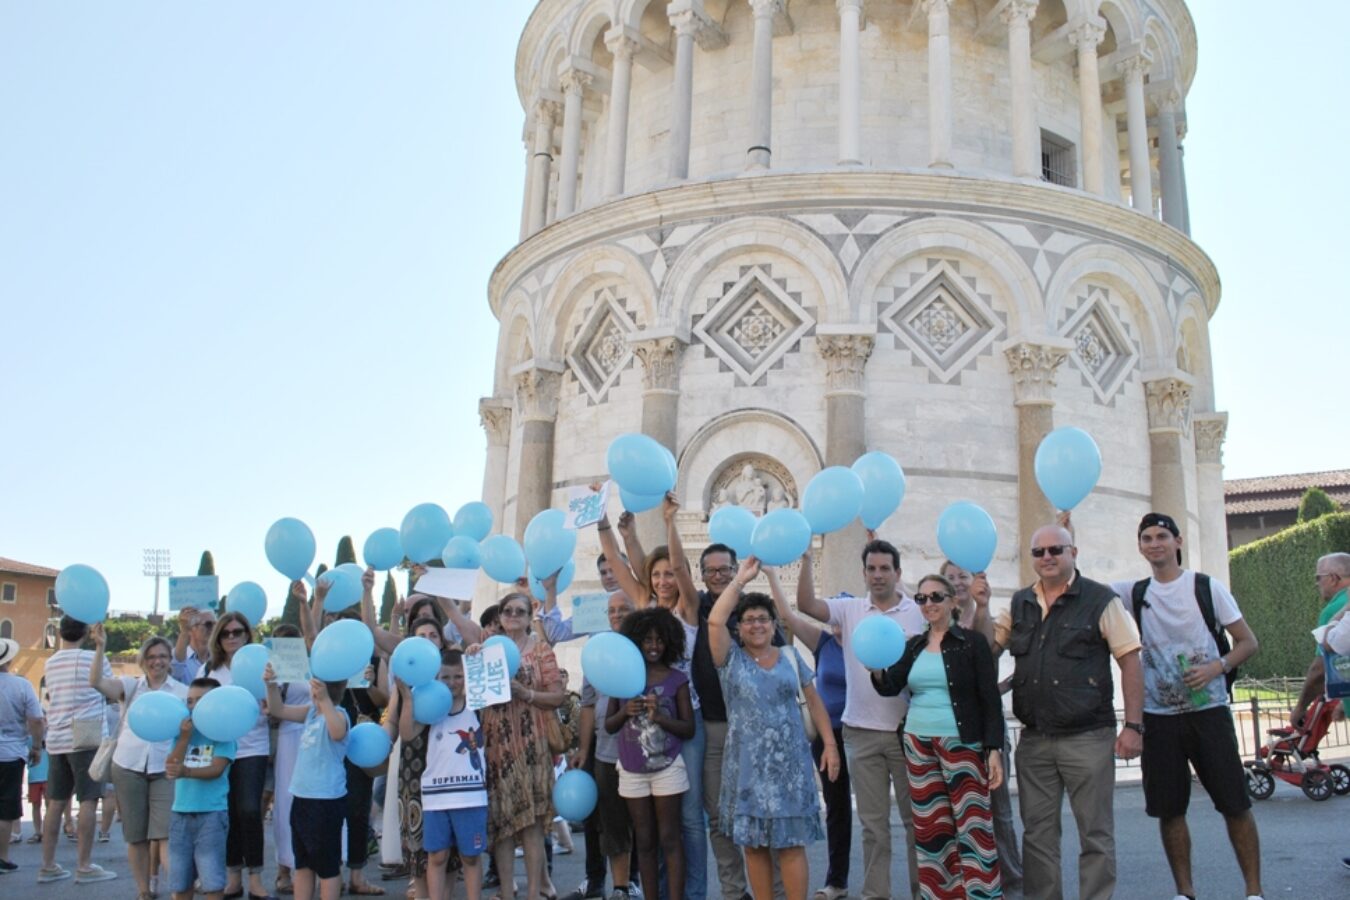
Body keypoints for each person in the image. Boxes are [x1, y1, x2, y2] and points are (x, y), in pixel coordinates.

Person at [978, 523, 1144, 900]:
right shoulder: (1020, 603)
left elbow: (1131, 661)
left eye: (1056, 549)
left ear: (1074, 552)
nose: (1047, 557)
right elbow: (986, 651)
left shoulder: (1101, 600)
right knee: (1037, 836)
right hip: (1035, 739)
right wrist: (982, 608)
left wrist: (1133, 726)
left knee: (1096, 835)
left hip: (1088, 737)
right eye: (1039, 552)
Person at [1107, 513, 1263, 900]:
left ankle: (1254, 891)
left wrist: (1217, 666)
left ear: (1178, 542)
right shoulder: (1135, 592)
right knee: (1169, 810)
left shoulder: (1206, 587)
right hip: (1159, 720)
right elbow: (1084, 587)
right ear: (1140, 546)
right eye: (1146, 537)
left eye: (1162, 536)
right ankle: (1185, 892)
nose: (1154, 543)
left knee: (1235, 804)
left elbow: (1248, 642)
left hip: (1209, 712)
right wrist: (1068, 536)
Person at [795, 541, 923, 900]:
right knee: (874, 827)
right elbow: (806, 606)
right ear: (864, 573)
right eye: (872, 569)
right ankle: (875, 894)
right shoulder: (851, 609)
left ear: (898, 573)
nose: (878, 575)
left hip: (906, 733)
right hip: (861, 733)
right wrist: (806, 559)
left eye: (885, 568)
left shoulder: (917, 612)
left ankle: (923, 892)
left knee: (917, 824)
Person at [708, 558, 838, 900]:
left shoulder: (790, 657)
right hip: (747, 769)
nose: (756, 625)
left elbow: (813, 702)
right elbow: (714, 620)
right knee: (754, 847)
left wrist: (830, 745)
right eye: (748, 620)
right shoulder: (729, 660)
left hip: (789, 770)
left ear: (772, 624)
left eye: (762, 619)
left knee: (791, 846)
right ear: (739, 629)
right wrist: (740, 580)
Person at [600, 495, 708, 900]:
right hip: (640, 729)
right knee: (650, 829)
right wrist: (607, 526)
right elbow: (620, 561)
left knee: (688, 820)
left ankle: (692, 894)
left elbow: (679, 567)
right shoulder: (643, 606)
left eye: (669, 575)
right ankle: (658, 892)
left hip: (685, 722)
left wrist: (669, 523)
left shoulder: (689, 610)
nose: (664, 580)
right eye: (657, 574)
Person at [871, 574, 1004, 900]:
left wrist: (994, 749)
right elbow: (890, 686)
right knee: (932, 830)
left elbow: (989, 698)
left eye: (935, 597)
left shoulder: (971, 643)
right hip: (919, 744)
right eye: (921, 599)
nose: (928, 604)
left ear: (952, 601)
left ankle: (983, 895)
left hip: (962, 742)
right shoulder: (913, 645)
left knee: (974, 828)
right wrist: (874, 665)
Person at [89, 625, 190, 900]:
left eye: (163, 656)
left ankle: (179, 891)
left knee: (166, 833)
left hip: (165, 769)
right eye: (151, 656)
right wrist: (100, 647)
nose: (157, 661)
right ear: (143, 660)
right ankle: (144, 891)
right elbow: (97, 682)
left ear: (170, 660)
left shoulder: (182, 692)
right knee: (136, 836)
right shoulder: (131, 686)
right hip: (128, 766)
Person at [941, 560, 1021, 889]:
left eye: (964, 576)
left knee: (997, 807)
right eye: (951, 578)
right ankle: (963, 880)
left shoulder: (988, 616)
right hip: (948, 728)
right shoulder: (935, 620)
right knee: (953, 810)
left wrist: (982, 606)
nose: (958, 583)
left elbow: (986, 655)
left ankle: (1011, 879)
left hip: (986, 726)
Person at [604, 607, 695, 900]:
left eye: (659, 640)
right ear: (635, 642)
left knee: (669, 838)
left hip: (668, 767)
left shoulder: (676, 679)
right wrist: (625, 713)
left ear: (669, 641)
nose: (654, 646)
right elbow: (609, 725)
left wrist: (661, 718)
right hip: (631, 769)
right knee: (643, 840)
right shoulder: (621, 678)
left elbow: (688, 728)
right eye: (646, 640)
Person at [479, 592, 565, 900]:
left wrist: (527, 694)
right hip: (497, 748)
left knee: (531, 826)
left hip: (532, 748)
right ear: (500, 616)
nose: (513, 615)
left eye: (520, 611)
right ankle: (506, 890)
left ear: (530, 617)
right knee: (501, 825)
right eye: (507, 610)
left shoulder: (541, 651)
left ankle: (533, 892)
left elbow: (557, 696)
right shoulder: (487, 649)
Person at [201, 612, 274, 900]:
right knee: (227, 813)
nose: (231, 637)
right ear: (218, 638)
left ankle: (255, 877)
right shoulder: (209, 670)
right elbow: (197, 705)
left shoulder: (260, 665)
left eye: (238, 631)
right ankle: (233, 876)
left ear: (248, 634)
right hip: (220, 750)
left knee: (249, 810)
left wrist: (271, 703)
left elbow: (274, 699)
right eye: (225, 633)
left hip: (253, 747)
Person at [39, 615, 116, 884]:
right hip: (87, 734)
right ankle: (84, 865)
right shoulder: (92, 658)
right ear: (85, 632)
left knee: (56, 802)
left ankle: (47, 865)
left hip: (57, 737)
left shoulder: (50, 662)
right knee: (88, 799)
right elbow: (110, 689)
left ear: (61, 632)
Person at [572, 591, 639, 900]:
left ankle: (641, 882)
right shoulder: (596, 650)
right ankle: (621, 887)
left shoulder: (647, 644)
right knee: (611, 821)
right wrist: (584, 749)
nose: (616, 614)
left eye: (623, 609)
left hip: (643, 749)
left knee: (643, 822)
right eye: (611, 610)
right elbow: (587, 705)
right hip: (605, 750)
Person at [409, 648, 488, 900]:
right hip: (436, 796)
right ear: (436, 677)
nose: (453, 683)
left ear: (468, 678)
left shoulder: (477, 706)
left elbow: (492, 678)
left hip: (471, 796)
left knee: (471, 856)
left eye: (458, 677)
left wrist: (477, 653)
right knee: (437, 856)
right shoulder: (430, 710)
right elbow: (406, 733)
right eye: (446, 677)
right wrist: (405, 695)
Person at [266, 667, 351, 900]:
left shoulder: (340, 715)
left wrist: (325, 701)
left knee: (327, 865)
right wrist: (271, 685)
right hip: (302, 798)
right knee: (302, 864)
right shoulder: (311, 713)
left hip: (326, 801)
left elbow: (337, 733)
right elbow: (278, 709)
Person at [165, 677, 236, 900]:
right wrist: (184, 738)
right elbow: (171, 766)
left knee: (212, 880)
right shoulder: (181, 734)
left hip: (211, 813)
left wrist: (186, 772)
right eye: (190, 701)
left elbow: (216, 769)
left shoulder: (223, 735)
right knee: (180, 880)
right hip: (181, 812)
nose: (194, 706)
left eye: (201, 701)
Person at [0, 637, 45, 873]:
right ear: (9, 659)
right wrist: (36, 747)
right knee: (6, 806)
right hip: (11, 753)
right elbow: (37, 720)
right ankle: (2, 857)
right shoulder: (21, 685)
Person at [1292, 552, 1350, 727]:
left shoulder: (1335, 609)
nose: (1317, 583)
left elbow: (1321, 668)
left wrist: (1300, 707)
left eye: (1319, 577)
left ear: (1333, 578)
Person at [172, 607, 217, 684]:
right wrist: (184, 631)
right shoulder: (179, 656)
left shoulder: (219, 657)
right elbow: (175, 670)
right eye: (208, 624)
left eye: (216, 624)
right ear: (191, 629)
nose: (213, 628)